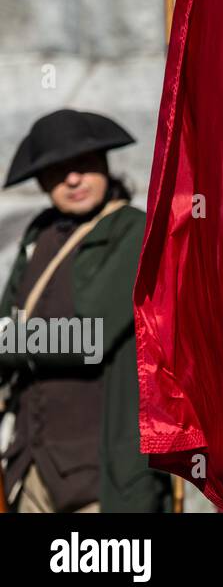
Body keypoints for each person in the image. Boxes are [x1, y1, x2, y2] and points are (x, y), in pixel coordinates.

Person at [0, 110, 169, 512]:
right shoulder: (38, 234)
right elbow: (7, 316)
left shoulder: (135, 231)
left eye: (85, 164)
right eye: (58, 171)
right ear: (42, 182)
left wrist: (12, 340)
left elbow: (89, 337)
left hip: (106, 477)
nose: (73, 179)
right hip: (31, 470)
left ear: (105, 165)